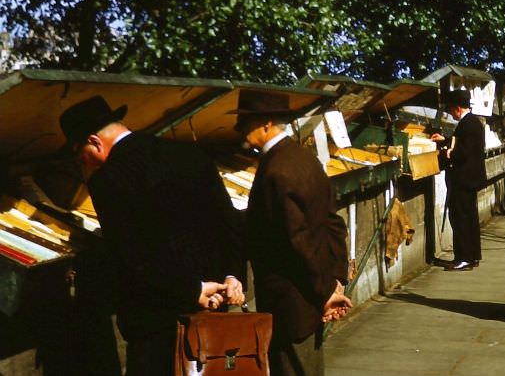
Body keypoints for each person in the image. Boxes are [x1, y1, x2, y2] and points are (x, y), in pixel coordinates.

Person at [59, 95, 245, 376]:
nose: (82, 161)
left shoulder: (107, 180)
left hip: (155, 323)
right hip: (214, 307)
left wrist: (192, 290)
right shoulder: (191, 155)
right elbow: (228, 221)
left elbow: (133, 255)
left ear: (95, 141)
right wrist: (231, 275)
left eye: (78, 153)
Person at [232, 91, 352, 376]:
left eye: (246, 122)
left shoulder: (276, 171)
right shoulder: (303, 158)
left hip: (292, 302)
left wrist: (326, 291)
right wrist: (336, 280)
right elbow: (332, 223)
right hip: (308, 298)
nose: (240, 129)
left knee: (294, 368)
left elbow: (298, 241)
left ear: (266, 124)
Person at [431, 89, 487, 271]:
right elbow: (463, 143)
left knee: (460, 218)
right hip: (470, 179)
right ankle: (472, 256)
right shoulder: (472, 123)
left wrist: (449, 152)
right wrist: (446, 140)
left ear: (456, 108)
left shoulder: (468, 124)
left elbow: (463, 151)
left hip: (464, 178)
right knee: (469, 218)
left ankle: (464, 258)